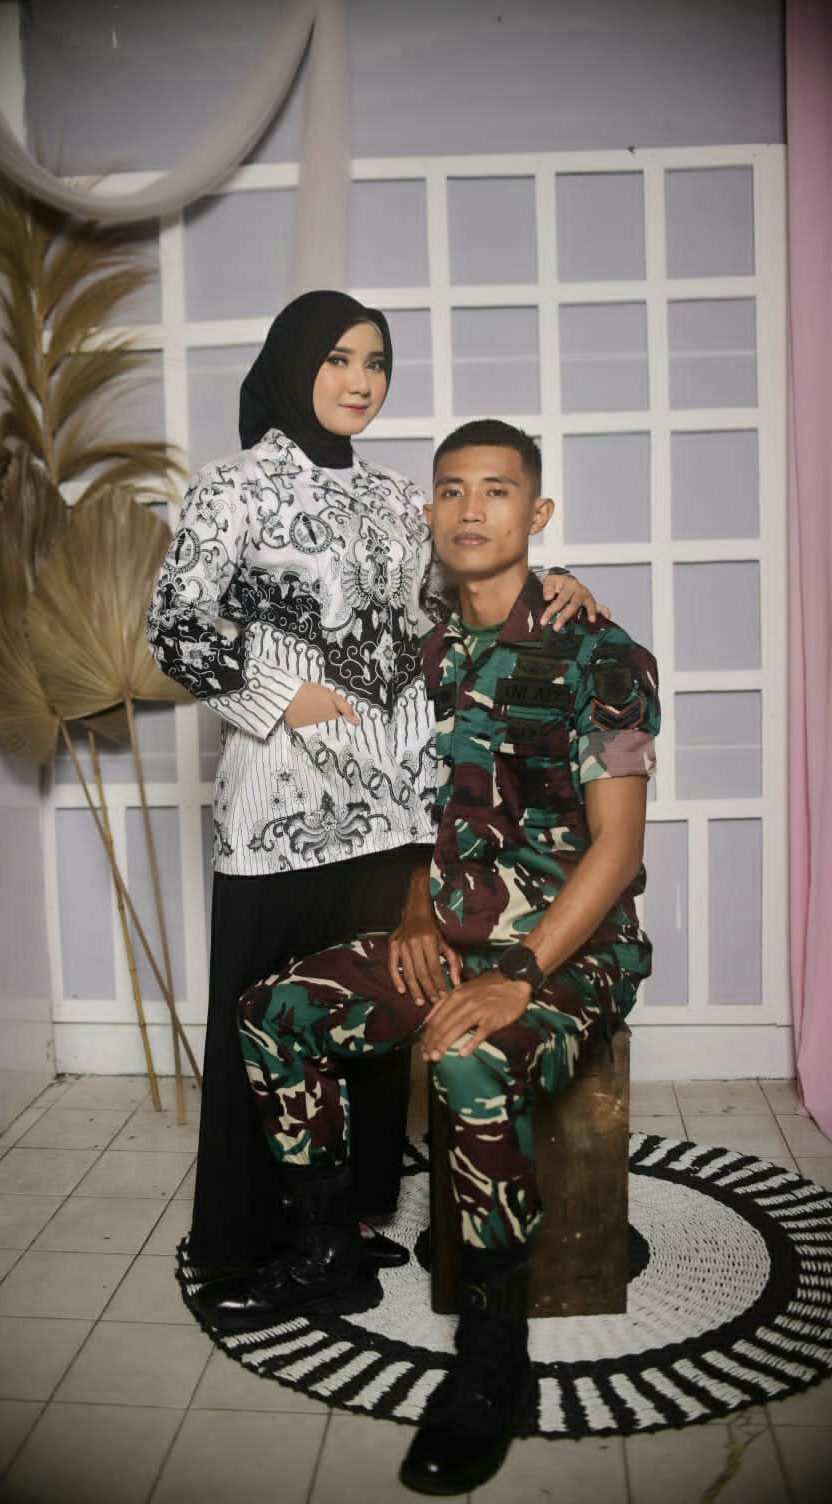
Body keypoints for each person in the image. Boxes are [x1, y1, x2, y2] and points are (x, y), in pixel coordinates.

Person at [195, 418, 659, 1496]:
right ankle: (330, 1256)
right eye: (450, 489)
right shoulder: (424, 652)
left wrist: (520, 975)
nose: (468, 509)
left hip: (571, 951)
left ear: (536, 513)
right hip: (453, 933)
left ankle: (494, 1359)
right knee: (274, 1012)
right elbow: (422, 808)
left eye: (495, 489)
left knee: (468, 1061)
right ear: (430, 511)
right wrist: (415, 905)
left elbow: (619, 847)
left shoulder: (604, 655)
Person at [147, 297, 603, 1277]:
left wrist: (554, 585)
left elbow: (464, 593)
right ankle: (243, 1245)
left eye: (376, 362)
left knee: (369, 1032)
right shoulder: (233, 487)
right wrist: (284, 696)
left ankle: (343, 1225)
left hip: (395, 812)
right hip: (280, 813)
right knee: (261, 1026)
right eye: (339, 358)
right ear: (293, 363)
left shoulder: (400, 497)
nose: (360, 381)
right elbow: (173, 630)